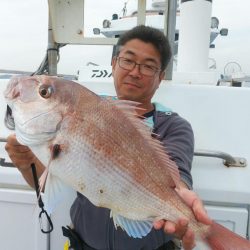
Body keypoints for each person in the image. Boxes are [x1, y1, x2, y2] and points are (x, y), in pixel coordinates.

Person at [5, 25, 211, 250]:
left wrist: (182, 202)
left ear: (161, 77)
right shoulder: (87, 110)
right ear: (113, 64)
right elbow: (50, 182)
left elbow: (177, 179)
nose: (135, 71)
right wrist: (27, 164)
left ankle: (211, 238)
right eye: (127, 60)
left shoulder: (174, 126)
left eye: (148, 66)